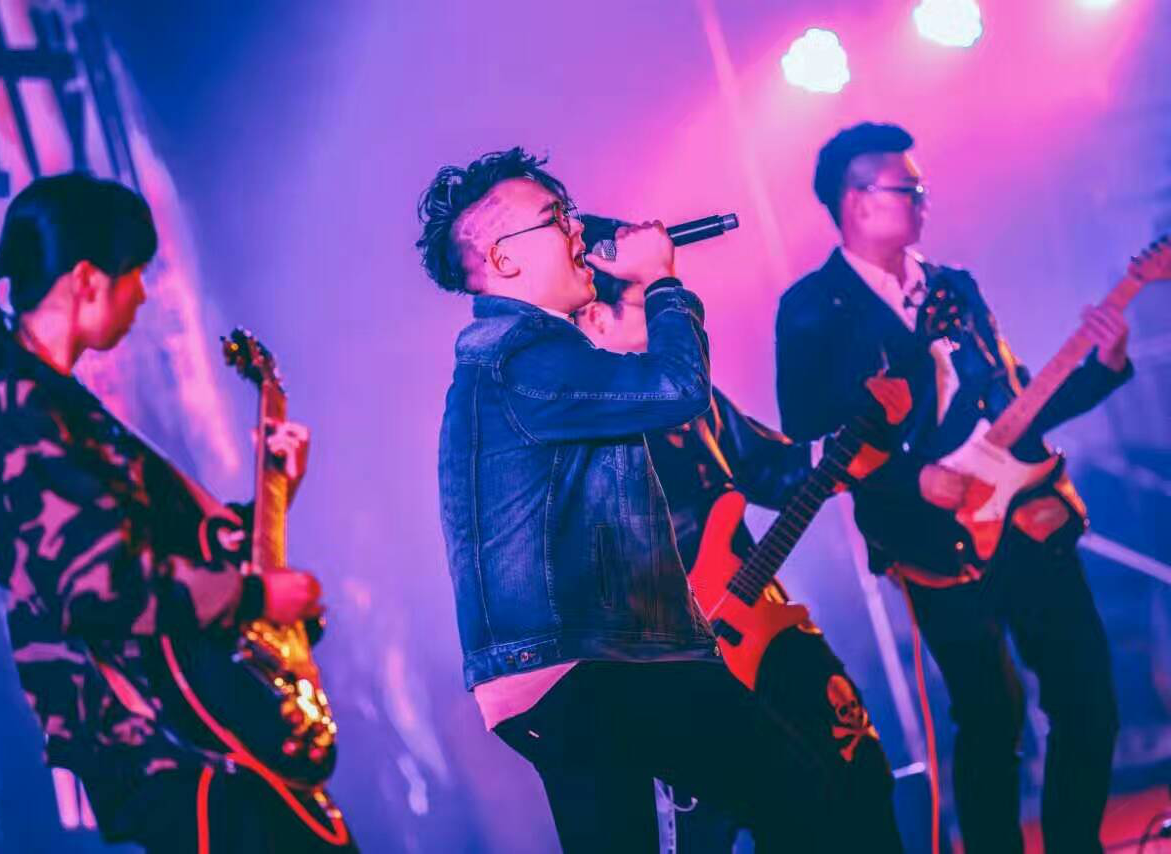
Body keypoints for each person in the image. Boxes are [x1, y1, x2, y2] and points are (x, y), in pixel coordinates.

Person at [419, 148, 857, 853]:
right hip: (596, 662)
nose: (577, 229)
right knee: (809, 803)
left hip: (561, 674)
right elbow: (677, 388)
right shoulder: (522, 357)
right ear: (503, 259)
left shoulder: (511, 359)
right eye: (555, 217)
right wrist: (659, 280)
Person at [0, 173, 353, 852]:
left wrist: (273, 495)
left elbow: (163, 548)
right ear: (86, 279)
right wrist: (257, 595)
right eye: (134, 272)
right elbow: (100, 586)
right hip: (169, 747)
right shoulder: (17, 406)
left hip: (198, 731)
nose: (142, 293)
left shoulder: (58, 403)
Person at [774, 122, 1132, 853]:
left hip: (1025, 515)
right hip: (932, 543)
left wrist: (1102, 369)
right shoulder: (812, 309)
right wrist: (912, 478)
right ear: (855, 200)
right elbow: (808, 438)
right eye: (905, 187)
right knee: (992, 717)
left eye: (921, 185)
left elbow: (1014, 402)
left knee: (1088, 697)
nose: (921, 198)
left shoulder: (953, 287)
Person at [574, 221, 903, 853]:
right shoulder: (581, 429)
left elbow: (773, 470)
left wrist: (864, 435)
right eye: (648, 300)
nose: (671, 314)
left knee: (859, 769)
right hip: (681, 660)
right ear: (597, 320)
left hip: (765, 619)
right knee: (759, 815)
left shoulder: (693, 398)